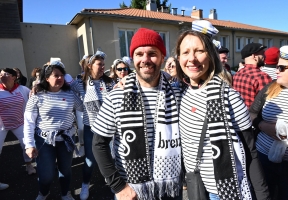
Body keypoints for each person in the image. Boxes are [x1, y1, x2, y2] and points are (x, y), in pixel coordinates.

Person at [175, 19, 269, 200]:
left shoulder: (230, 96)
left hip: (225, 192)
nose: (191, 58)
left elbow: (251, 152)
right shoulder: (182, 93)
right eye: (185, 52)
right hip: (197, 185)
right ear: (179, 58)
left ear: (210, 55)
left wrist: (263, 196)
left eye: (199, 51)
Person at [92, 28, 182, 200]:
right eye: (139, 53)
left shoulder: (178, 95)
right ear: (133, 58)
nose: (145, 59)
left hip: (170, 188)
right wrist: (119, 186)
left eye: (152, 53)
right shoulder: (116, 96)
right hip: (131, 191)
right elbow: (99, 144)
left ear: (163, 57)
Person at [23, 63, 83, 200]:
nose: (60, 78)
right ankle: (43, 193)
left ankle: (65, 193)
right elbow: (29, 121)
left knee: (66, 171)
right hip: (44, 140)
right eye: (56, 75)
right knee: (46, 174)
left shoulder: (70, 94)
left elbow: (83, 108)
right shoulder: (37, 96)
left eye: (62, 75)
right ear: (46, 78)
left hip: (66, 139)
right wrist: (29, 145)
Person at [250, 44, 288, 199]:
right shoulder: (271, 87)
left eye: (282, 68)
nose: (276, 71)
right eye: (277, 66)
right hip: (263, 159)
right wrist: (262, 125)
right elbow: (251, 113)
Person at [70, 50, 115, 200]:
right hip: (92, 127)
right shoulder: (79, 83)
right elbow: (61, 90)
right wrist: (38, 88)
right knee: (90, 160)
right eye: (99, 64)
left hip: (110, 127)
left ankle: (114, 185)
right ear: (89, 66)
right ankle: (85, 184)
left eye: (104, 64)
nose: (103, 67)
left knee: (112, 158)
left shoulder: (109, 82)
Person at [0, 68, 36, 182]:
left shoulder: (22, 89)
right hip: (2, 125)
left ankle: (29, 165)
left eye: (6, 74)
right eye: (0, 74)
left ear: (14, 77)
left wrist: (36, 88)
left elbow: (33, 98)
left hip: (20, 122)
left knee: (27, 144)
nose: (2, 76)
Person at [233, 43, 272, 108]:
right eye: (262, 54)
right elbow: (267, 104)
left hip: (240, 115)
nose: (264, 56)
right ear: (254, 56)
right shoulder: (262, 77)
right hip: (255, 116)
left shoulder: (236, 75)